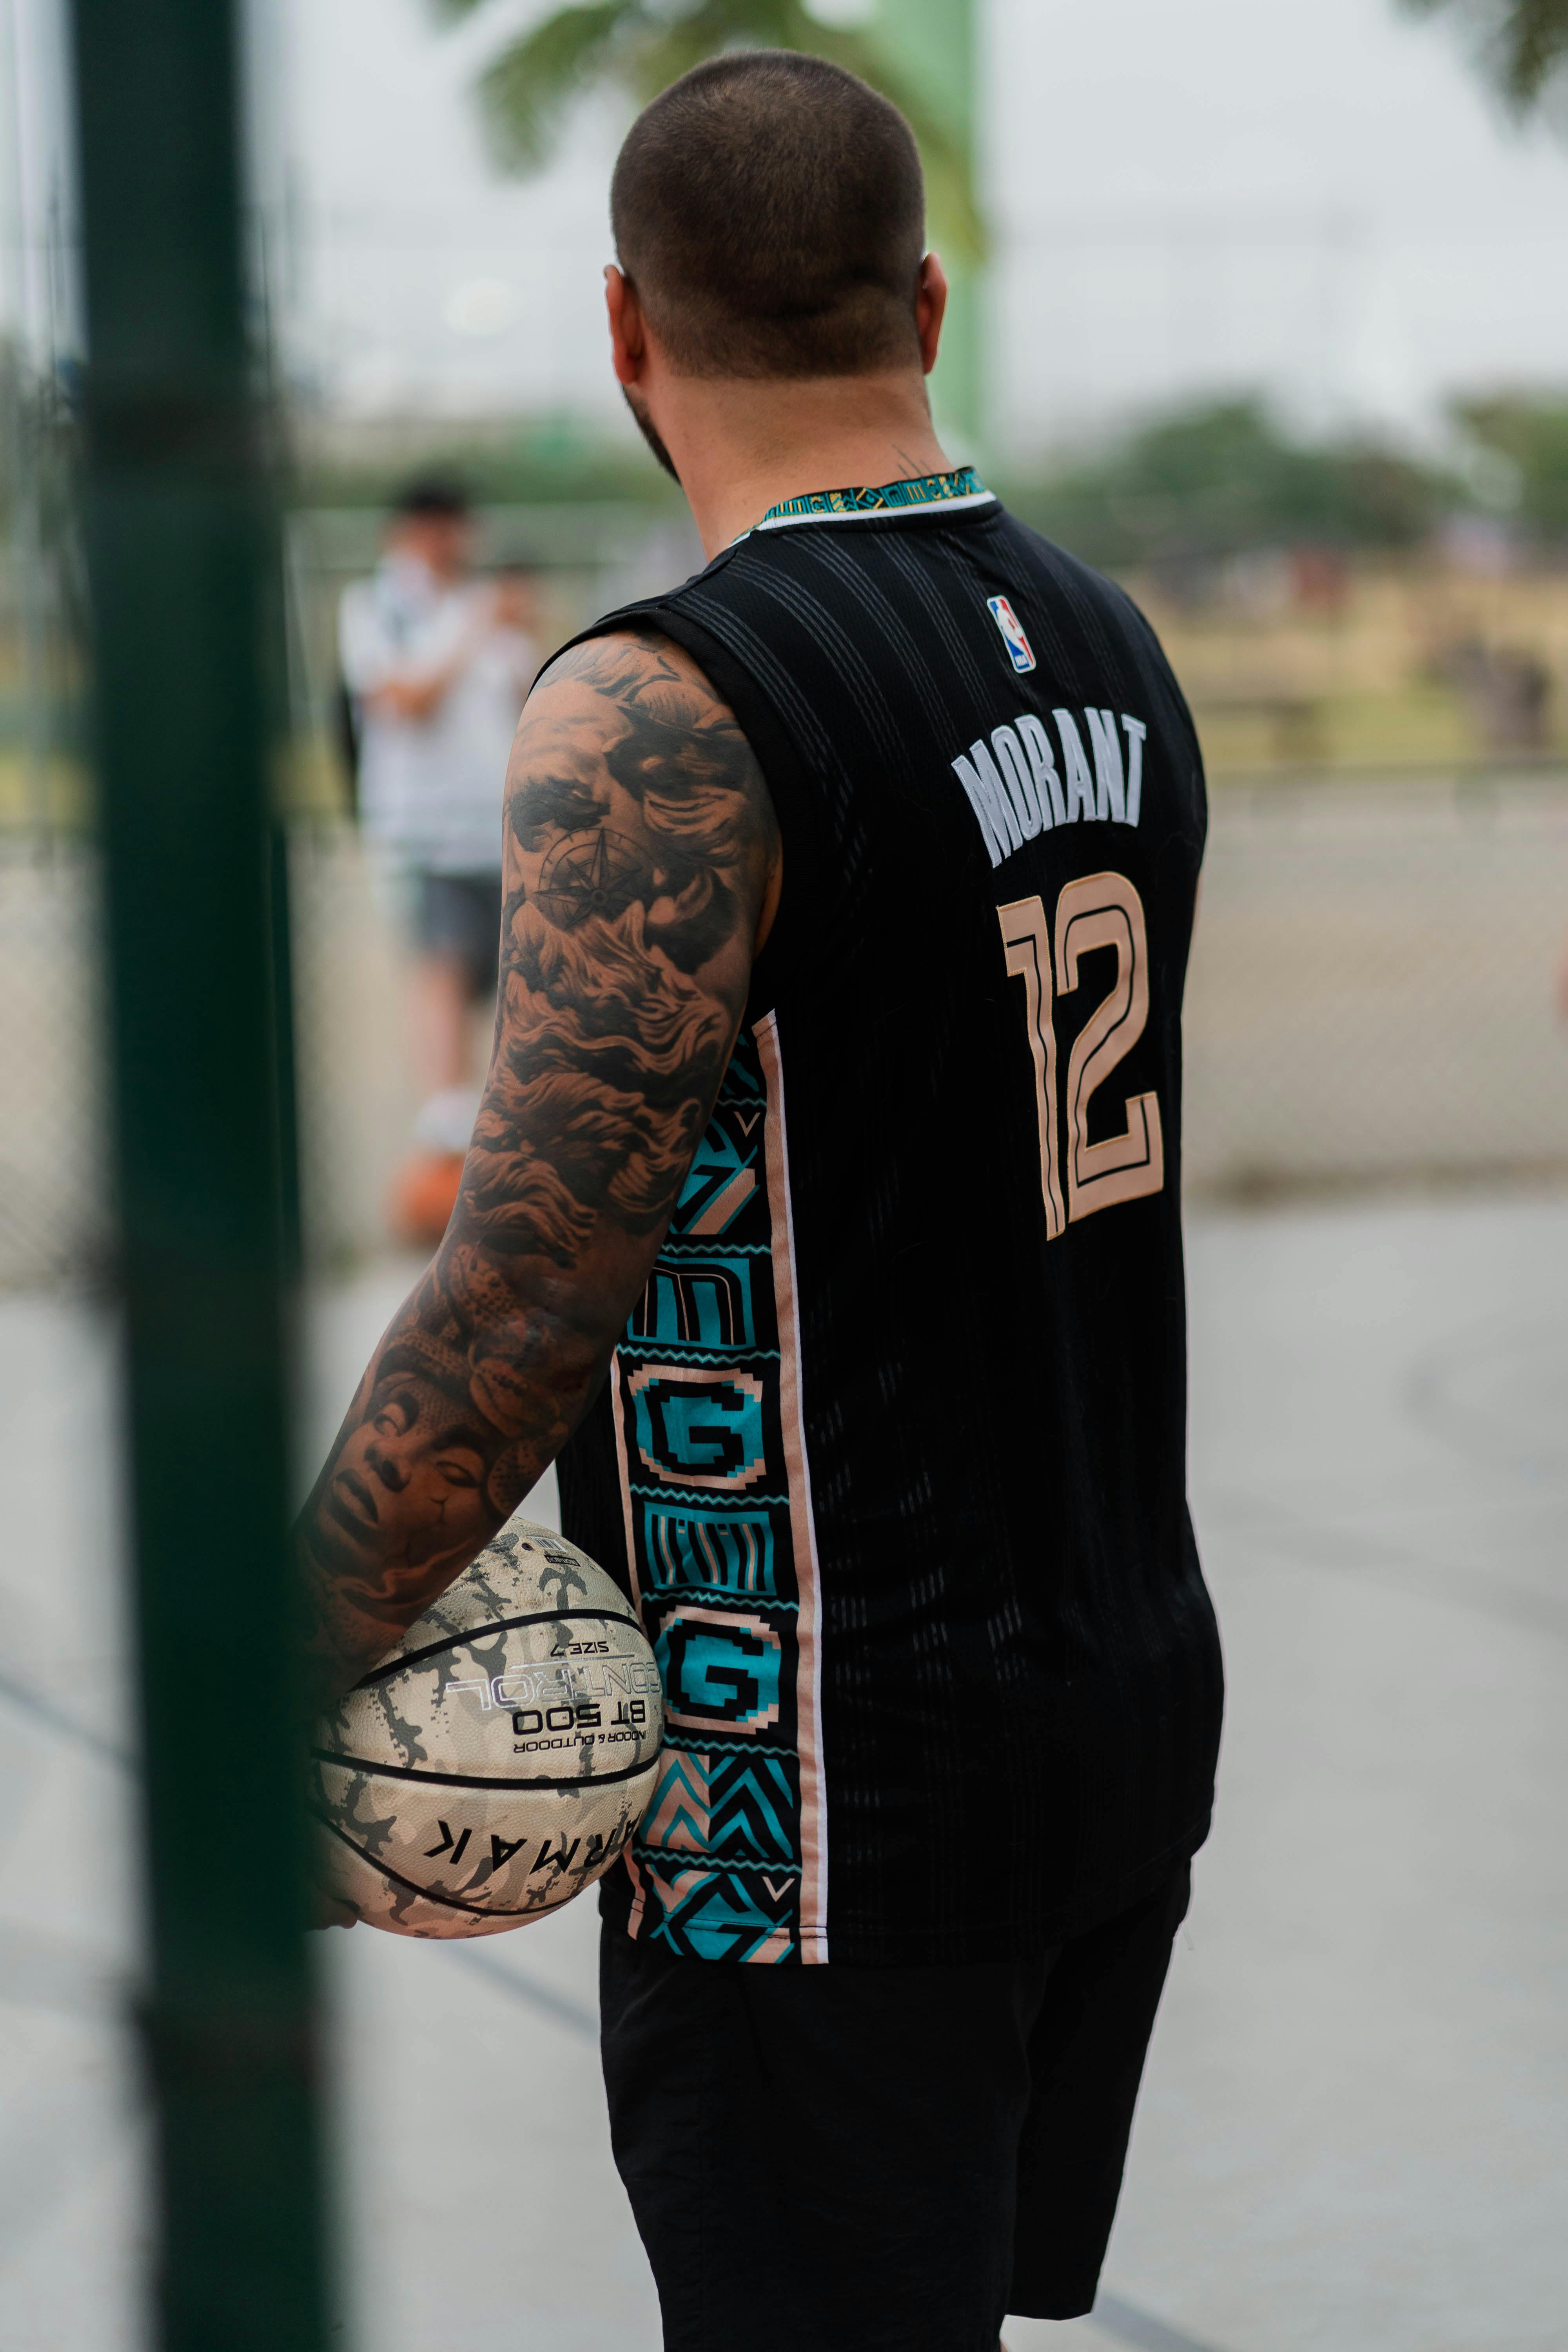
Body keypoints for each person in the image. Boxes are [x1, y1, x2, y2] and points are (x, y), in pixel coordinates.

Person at [294, 51, 1223, 2352]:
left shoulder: (662, 707)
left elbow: (525, 1285)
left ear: (627, 332)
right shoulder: (1106, 643)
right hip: (1112, 1718)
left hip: (822, 1797)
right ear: (923, 300)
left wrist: (282, 1659)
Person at [337, 476, 540, 1243]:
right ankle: (447, 1140)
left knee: (514, 979)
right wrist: (474, 622)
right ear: (425, 529)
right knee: (444, 968)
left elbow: (515, 701)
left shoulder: (478, 608)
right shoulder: (382, 605)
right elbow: (405, 698)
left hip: (495, 826)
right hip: (426, 828)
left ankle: (504, 1138)